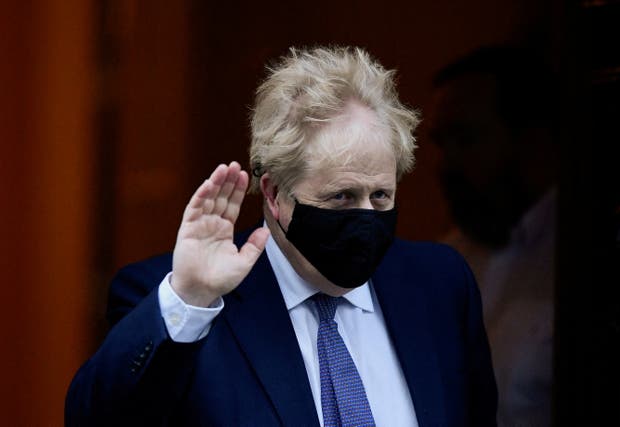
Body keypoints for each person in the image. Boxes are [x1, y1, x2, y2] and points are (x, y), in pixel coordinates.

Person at [66, 46, 497, 426]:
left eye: (380, 196)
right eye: (341, 197)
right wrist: (190, 299)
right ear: (274, 193)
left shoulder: (439, 286)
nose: (366, 218)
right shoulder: (184, 299)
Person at [429, 46, 558, 427]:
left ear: (531, 139)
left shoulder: (584, 258)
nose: (445, 166)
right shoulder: (443, 266)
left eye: (466, 139)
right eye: (441, 143)